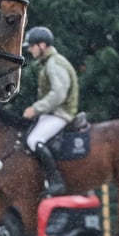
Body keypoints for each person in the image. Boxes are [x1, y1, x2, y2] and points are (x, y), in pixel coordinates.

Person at [22, 26, 79, 197]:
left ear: (42, 45)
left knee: (34, 140)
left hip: (62, 112)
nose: (30, 50)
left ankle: (56, 182)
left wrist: (36, 109)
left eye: (32, 46)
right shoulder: (48, 63)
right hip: (53, 112)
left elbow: (58, 94)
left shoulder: (54, 63)